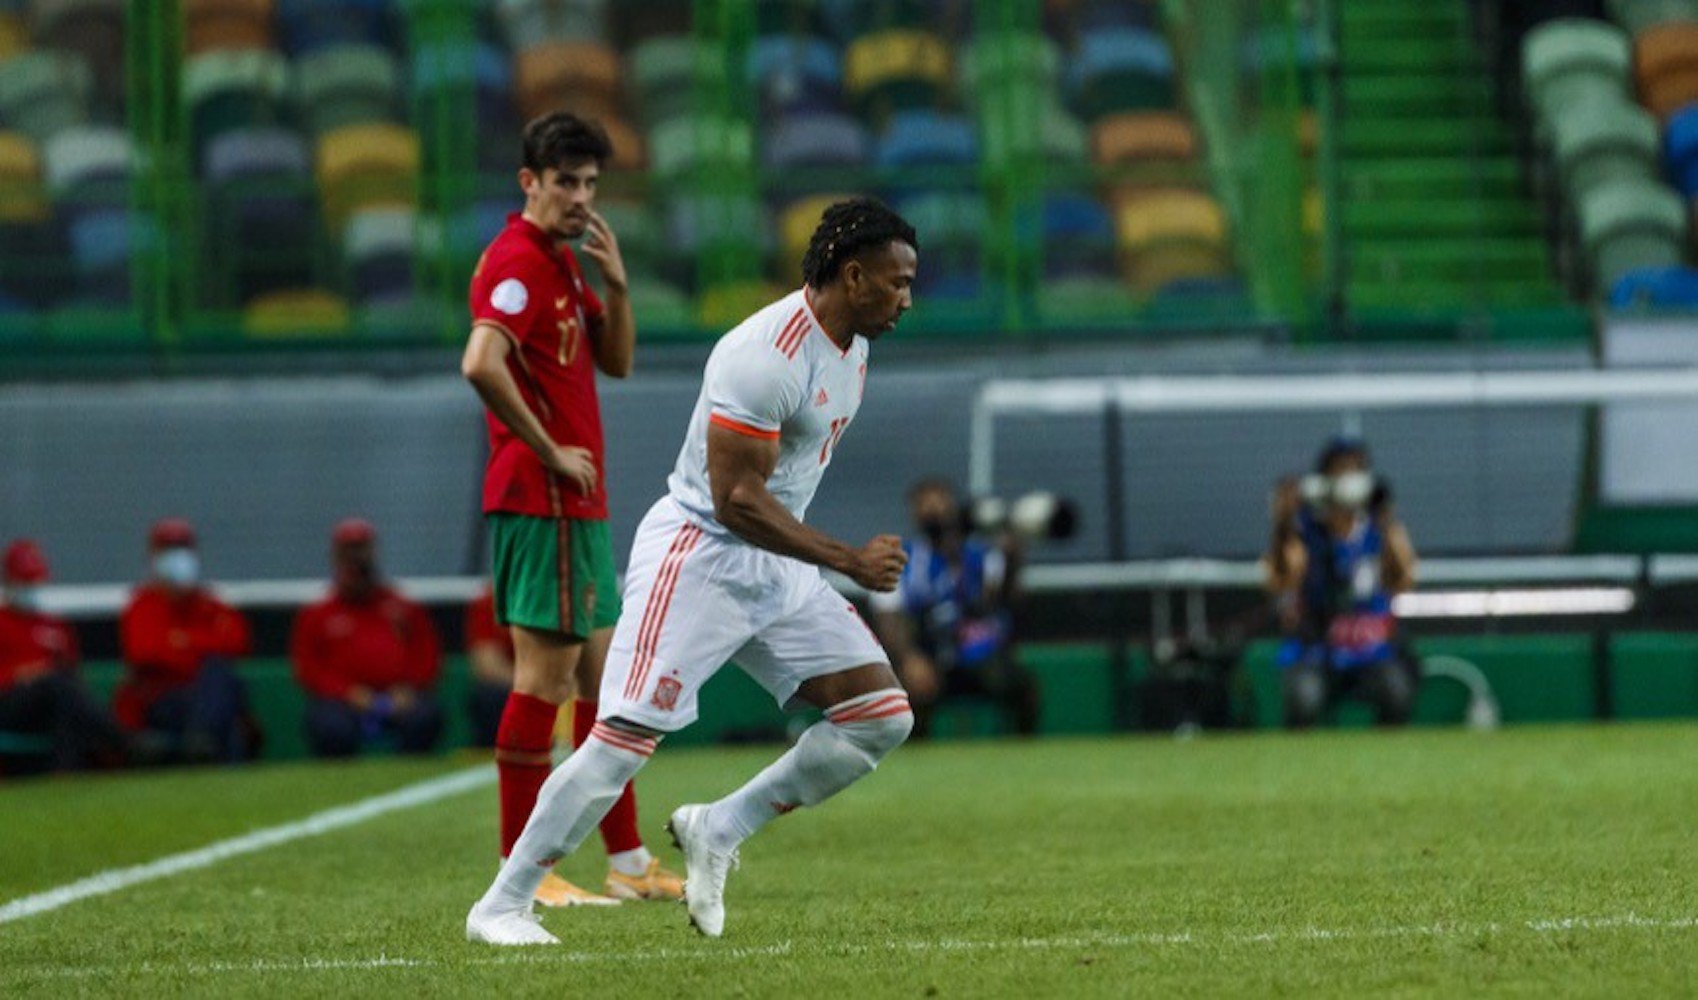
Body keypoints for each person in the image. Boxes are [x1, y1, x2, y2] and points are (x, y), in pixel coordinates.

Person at [466, 196, 920, 946]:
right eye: (898, 283)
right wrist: (846, 560)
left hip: (776, 567)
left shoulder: (855, 346)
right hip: (701, 557)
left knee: (880, 720)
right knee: (618, 744)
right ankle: (502, 904)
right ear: (854, 274)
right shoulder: (765, 355)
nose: (908, 299)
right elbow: (736, 500)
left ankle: (718, 827)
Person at [459, 109, 679, 907]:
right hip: (541, 501)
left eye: (590, 183)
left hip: (579, 506)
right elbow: (480, 362)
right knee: (544, 682)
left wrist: (617, 287)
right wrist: (548, 449)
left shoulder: (564, 264)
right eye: (565, 182)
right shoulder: (515, 262)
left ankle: (625, 865)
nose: (581, 197)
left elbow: (615, 363)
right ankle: (529, 873)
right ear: (529, 182)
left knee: (607, 688)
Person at [1263, 437, 1420, 728]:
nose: (1348, 478)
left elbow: (1402, 579)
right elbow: (1281, 578)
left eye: (1356, 470)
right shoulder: (1306, 533)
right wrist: (1284, 525)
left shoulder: (1377, 531)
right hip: (1316, 648)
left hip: (1369, 651)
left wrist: (1387, 523)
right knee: (1304, 698)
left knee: (1396, 691)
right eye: (1340, 469)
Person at [870, 478, 1041, 738]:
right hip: (929, 655)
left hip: (978, 655)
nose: (934, 511)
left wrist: (1013, 561)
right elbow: (888, 617)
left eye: (940, 502)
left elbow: (1001, 604)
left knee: (1023, 687)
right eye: (925, 504)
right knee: (908, 695)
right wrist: (909, 659)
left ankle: (1022, 757)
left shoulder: (981, 555)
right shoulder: (901, 559)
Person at [291, 519, 444, 757]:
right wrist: (348, 693)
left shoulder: (402, 607)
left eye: (361, 549)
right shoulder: (317, 614)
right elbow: (309, 669)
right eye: (348, 551)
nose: (356, 560)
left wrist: (408, 688)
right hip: (343, 703)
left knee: (424, 717)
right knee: (330, 727)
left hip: (399, 697)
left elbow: (427, 655)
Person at [117, 518, 257, 763]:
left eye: (182, 549)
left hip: (208, 699)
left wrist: (185, 642)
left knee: (219, 676)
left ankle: (203, 742)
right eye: (168, 550)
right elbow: (144, 653)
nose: (177, 557)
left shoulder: (209, 604)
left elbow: (238, 642)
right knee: (220, 698)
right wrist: (198, 650)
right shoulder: (142, 605)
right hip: (164, 702)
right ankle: (202, 742)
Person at [0, 539, 129, 773]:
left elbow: (72, 672)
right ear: (9, 581)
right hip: (11, 704)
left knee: (64, 692)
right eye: (24, 581)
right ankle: (122, 741)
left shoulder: (55, 625)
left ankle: (65, 769)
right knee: (57, 685)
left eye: (34, 581)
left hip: (54, 703)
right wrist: (22, 674)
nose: (31, 587)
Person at [464, 583, 515, 749]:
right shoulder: (489, 603)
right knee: (490, 696)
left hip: (561, 685)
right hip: (513, 686)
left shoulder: (567, 599)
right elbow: (487, 665)